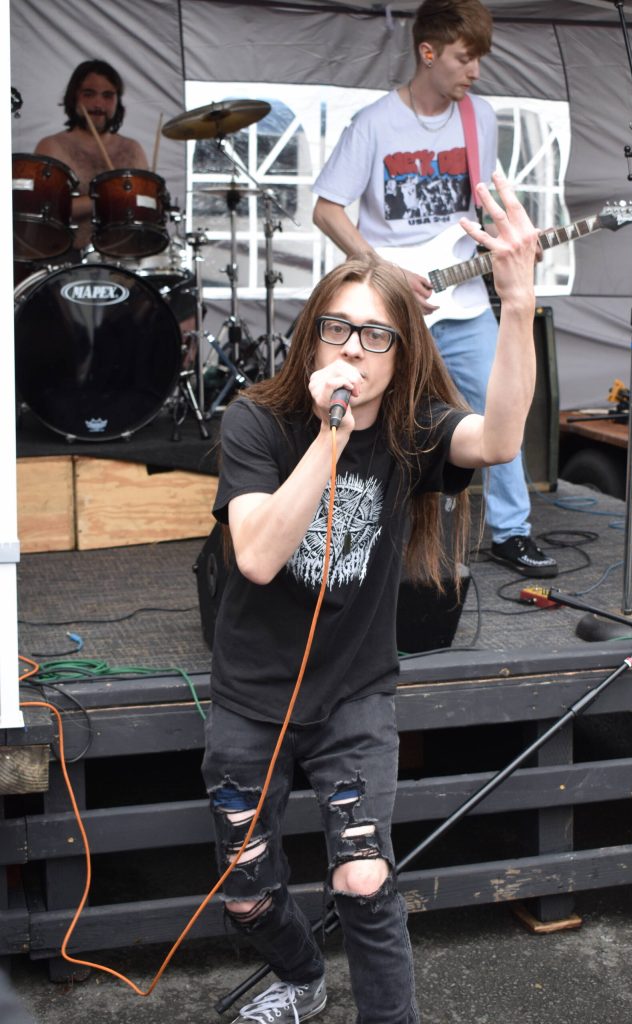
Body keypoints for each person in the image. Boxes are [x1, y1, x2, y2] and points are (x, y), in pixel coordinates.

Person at [202, 172, 538, 1023]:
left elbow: (499, 439)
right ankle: (299, 977)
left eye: (375, 336)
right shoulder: (255, 422)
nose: (352, 350)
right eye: (337, 329)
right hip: (252, 694)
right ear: (311, 338)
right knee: (244, 888)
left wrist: (517, 303)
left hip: (354, 694)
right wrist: (331, 434)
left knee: (361, 874)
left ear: (402, 354)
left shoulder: (411, 428)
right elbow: (257, 557)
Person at [312, 0, 558, 579]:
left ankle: (512, 531)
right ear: (428, 53)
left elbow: (483, 206)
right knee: (381, 413)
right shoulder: (374, 123)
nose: (475, 71)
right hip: (392, 304)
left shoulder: (479, 118)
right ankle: (361, 528)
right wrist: (383, 270)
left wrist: (513, 241)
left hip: (464, 301)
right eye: (464, 58)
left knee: (504, 405)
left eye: (479, 59)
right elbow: (326, 209)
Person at [34, 59, 149, 251]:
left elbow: (147, 209)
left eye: (107, 95)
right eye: (89, 94)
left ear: (117, 101)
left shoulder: (133, 149)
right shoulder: (52, 147)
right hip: (69, 258)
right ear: (74, 97)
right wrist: (105, 198)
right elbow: (43, 211)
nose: (98, 104)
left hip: (126, 258)